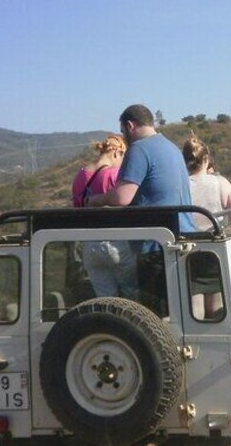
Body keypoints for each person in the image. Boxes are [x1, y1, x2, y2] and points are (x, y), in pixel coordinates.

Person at [89, 104, 196, 314]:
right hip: (182, 238)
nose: (124, 136)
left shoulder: (139, 149)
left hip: (155, 247)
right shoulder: (171, 147)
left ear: (130, 126)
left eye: (122, 131)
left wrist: (95, 201)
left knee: (154, 317)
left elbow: (121, 197)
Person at [183, 137, 231, 320]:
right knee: (216, 307)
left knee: (194, 307)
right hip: (214, 253)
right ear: (207, 158)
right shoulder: (220, 183)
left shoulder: (180, 185)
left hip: (186, 252)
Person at [70, 135, 137, 299]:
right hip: (116, 242)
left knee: (105, 300)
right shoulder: (115, 175)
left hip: (89, 246)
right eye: (123, 157)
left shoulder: (80, 176)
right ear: (116, 153)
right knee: (131, 297)